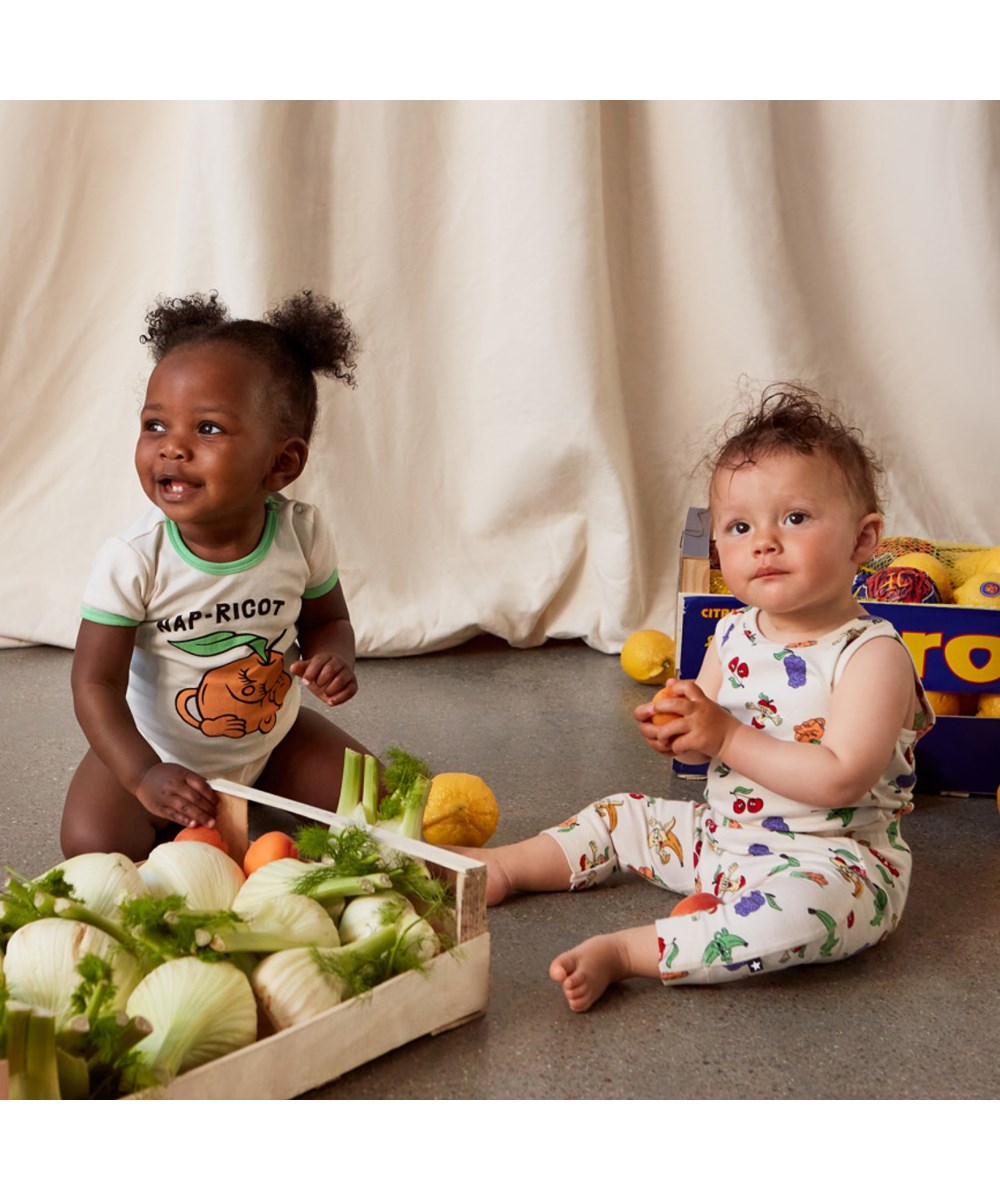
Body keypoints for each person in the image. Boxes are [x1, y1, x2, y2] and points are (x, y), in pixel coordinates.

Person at [458, 384, 935, 1012]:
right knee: (622, 813)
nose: (764, 541)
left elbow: (843, 777)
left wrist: (727, 736)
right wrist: (674, 724)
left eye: (795, 517)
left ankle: (633, 952)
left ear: (863, 539)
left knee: (807, 913)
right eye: (740, 526)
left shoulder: (873, 655)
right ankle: (511, 866)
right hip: (721, 839)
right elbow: (704, 734)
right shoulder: (732, 631)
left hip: (832, 861)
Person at [62, 290, 371, 859]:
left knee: (381, 803)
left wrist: (336, 658)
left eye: (207, 430)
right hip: (161, 744)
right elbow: (94, 685)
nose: (172, 448)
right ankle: (180, 804)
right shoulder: (136, 559)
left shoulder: (299, 534)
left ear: (281, 462)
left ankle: (258, 792)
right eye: (155, 425)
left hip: (273, 737)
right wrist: (141, 775)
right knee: (92, 845)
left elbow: (331, 622)